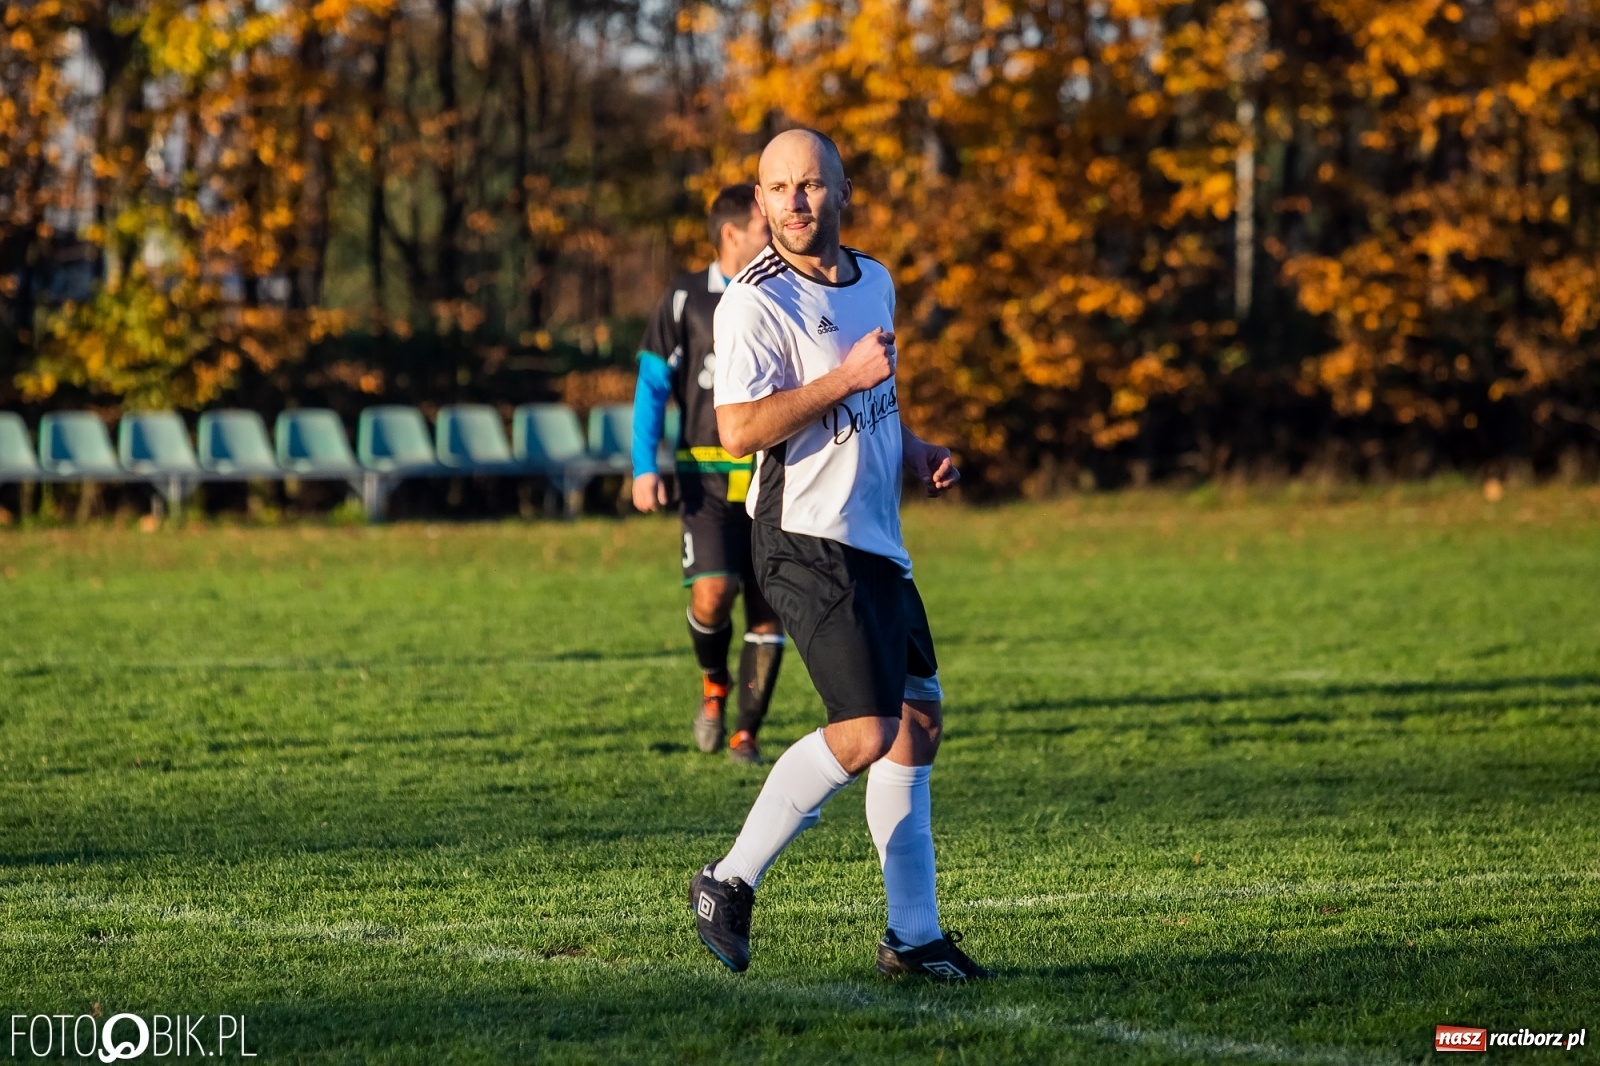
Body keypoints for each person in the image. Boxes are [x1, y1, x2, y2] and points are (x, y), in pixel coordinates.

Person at [689, 130, 989, 981]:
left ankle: (914, 936)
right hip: (802, 539)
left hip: (876, 543)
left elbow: (875, 408)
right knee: (866, 731)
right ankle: (729, 879)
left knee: (917, 725)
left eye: (810, 185)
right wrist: (843, 381)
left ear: (842, 190)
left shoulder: (877, 281)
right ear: (760, 201)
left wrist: (916, 447)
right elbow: (740, 429)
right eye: (777, 188)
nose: (793, 202)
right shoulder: (753, 302)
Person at [632, 184, 786, 765]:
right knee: (715, 591)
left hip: (775, 475)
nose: (771, 236)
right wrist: (645, 467)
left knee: (770, 608)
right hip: (706, 478)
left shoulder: (783, 290)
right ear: (731, 234)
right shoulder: (685, 299)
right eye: (761, 226)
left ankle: (748, 732)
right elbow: (652, 386)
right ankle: (714, 683)